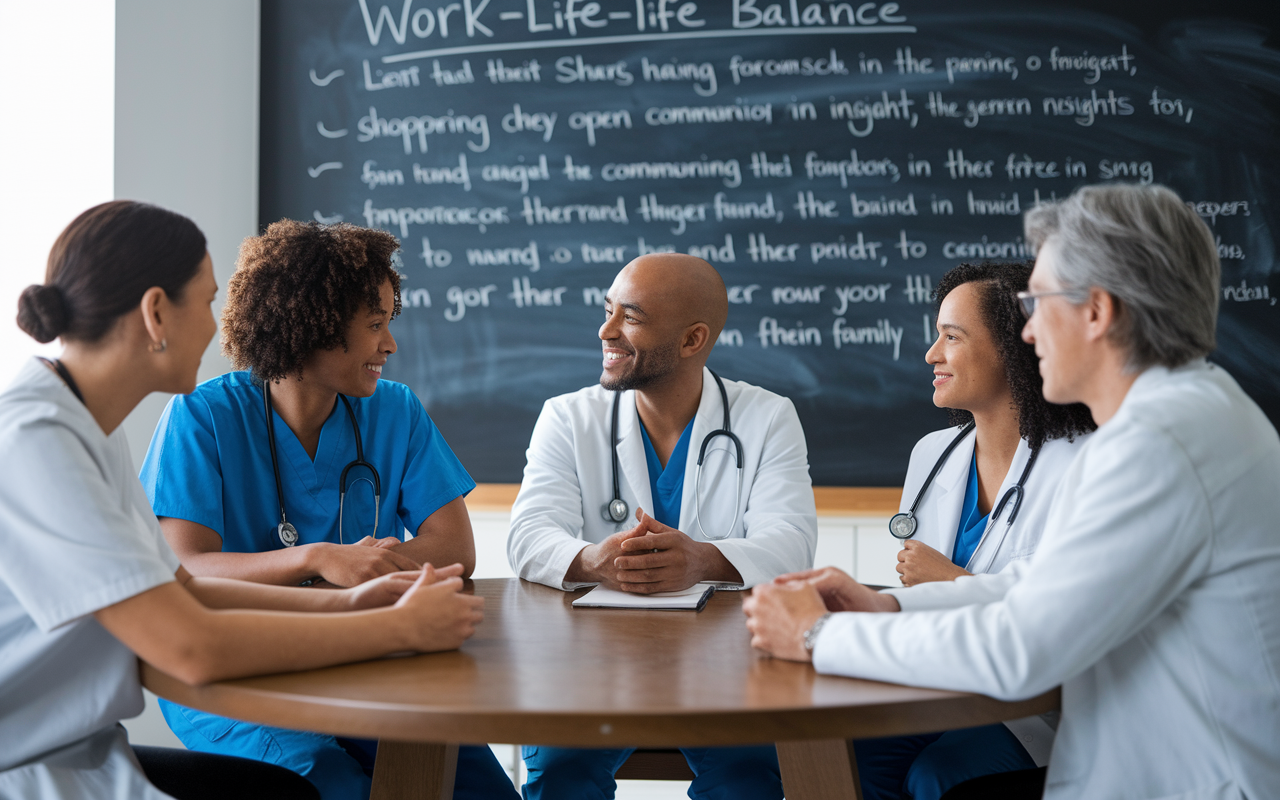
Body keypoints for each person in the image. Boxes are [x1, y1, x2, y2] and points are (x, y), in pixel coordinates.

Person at [743, 184, 1280, 800]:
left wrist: (816, 636)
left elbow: (1021, 646)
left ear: (1097, 312)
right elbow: (1042, 585)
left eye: (1039, 304)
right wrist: (887, 607)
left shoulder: (1159, 443)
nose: (1028, 335)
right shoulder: (1189, 417)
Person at [0, 201, 484, 800]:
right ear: (157, 313)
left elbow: (179, 587)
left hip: (78, 747)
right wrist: (391, 626)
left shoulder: (82, 428)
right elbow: (191, 646)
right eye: (204, 302)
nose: (217, 324)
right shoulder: (36, 443)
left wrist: (357, 604)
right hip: (27, 764)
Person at [137, 220, 517, 800]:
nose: (389, 345)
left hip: (370, 655)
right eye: (374, 326)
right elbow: (186, 570)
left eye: (389, 323)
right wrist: (321, 559)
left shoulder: (395, 411)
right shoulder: (202, 418)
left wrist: (346, 574)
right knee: (328, 781)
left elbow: (454, 548)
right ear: (311, 326)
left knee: (475, 786)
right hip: (245, 669)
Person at [508, 253, 817, 800]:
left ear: (692, 339)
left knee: (749, 777)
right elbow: (528, 535)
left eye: (630, 317)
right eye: (607, 311)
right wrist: (590, 561)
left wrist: (703, 559)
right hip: (592, 664)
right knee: (562, 772)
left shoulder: (767, 417)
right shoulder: (567, 416)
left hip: (727, 666)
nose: (605, 331)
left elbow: (791, 544)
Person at [853, 261, 1095, 800]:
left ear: (1017, 347)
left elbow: (1063, 615)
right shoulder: (932, 455)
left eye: (951, 337)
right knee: (854, 762)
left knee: (939, 776)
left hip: (1039, 709)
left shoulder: (1088, 464)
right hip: (936, 687)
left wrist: (950, 579)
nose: (931, 355)